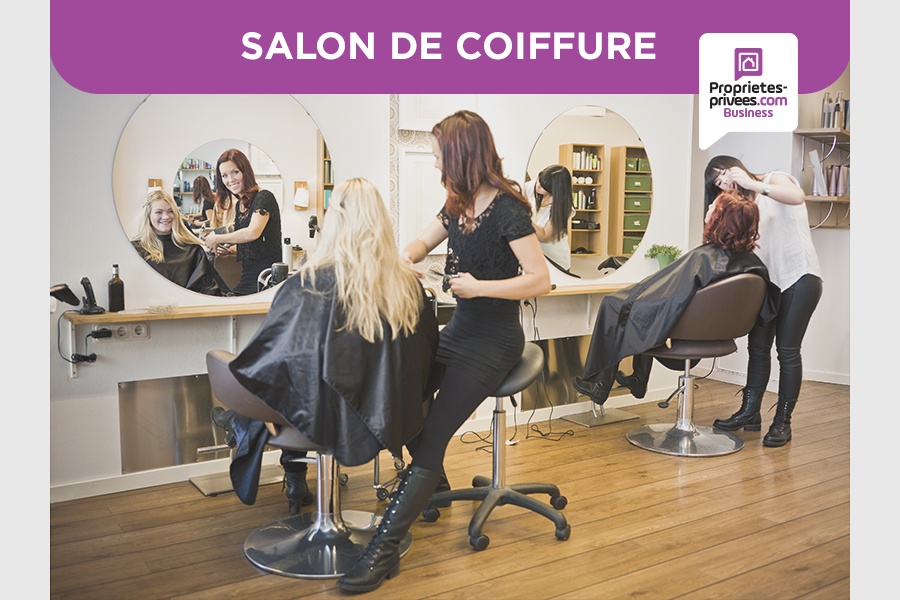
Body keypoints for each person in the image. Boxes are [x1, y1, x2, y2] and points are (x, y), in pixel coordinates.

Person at [336, 110, 551, 593]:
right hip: (458, 330)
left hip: (494, 339)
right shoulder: (457, 203)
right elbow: (422, 240)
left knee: (432, 435)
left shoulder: (510, 209)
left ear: (460, 155)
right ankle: (433, 483)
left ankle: (382, 552)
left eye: (438, 155)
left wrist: (480, 287)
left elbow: (540, 280)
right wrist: (405, 255)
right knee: (406, 400)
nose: (435, 164)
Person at [218, 178, 440, 514]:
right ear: (382, 222)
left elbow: (275, 359)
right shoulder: (407, 285)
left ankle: (254, 436)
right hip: (382, 409)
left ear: (333, 221)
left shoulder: (307, 284)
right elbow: (423, 360)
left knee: (286, 375)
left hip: (315, 414)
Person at [573, 189, 779, 407]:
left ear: (721, 219)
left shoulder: (704, 256)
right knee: (642, 308)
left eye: (714, 207)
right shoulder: (753, 265)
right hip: (716, 333)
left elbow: (667, 297)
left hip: (686, 333)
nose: (708, 207)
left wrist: (635, 297)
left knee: (614, 304)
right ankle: (637, 379)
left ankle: (600, 384)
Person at [704, 155, 823, 447]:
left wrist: (752, 183)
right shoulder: (742, 208)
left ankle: (783, 422)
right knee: (757, 348)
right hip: (767, 284)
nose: (725, 182)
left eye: (724, 173)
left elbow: (797, 196)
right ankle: (750, 413)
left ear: (736, 166)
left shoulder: (774, 179)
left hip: (799, 277)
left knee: (787, 351)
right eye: (718, 183)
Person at [202, 149, 281, 295]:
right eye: (224, 175)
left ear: (245, 171)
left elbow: (252, 233)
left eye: (235, 172)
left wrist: (217, 238)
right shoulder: (240, 205)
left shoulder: (264, 197)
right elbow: (253, 247)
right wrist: (230, 250)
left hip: (265, 279)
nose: (230, 179)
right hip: (248, 278)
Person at [131, 189, 228, 296]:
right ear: (148, 215)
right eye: (159, 212)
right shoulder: (135, 251)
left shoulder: (193, 251)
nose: (166, 217)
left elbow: (210, 290)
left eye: (170, 211)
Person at [525, 164, 576, 272]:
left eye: (543, 186)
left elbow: (544, 236)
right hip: (538, 257)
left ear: (555, 190)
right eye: (538, 180)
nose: (538, 185)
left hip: (556, 262)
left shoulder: (562, 207)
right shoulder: (536, 186)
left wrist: (523, 217)